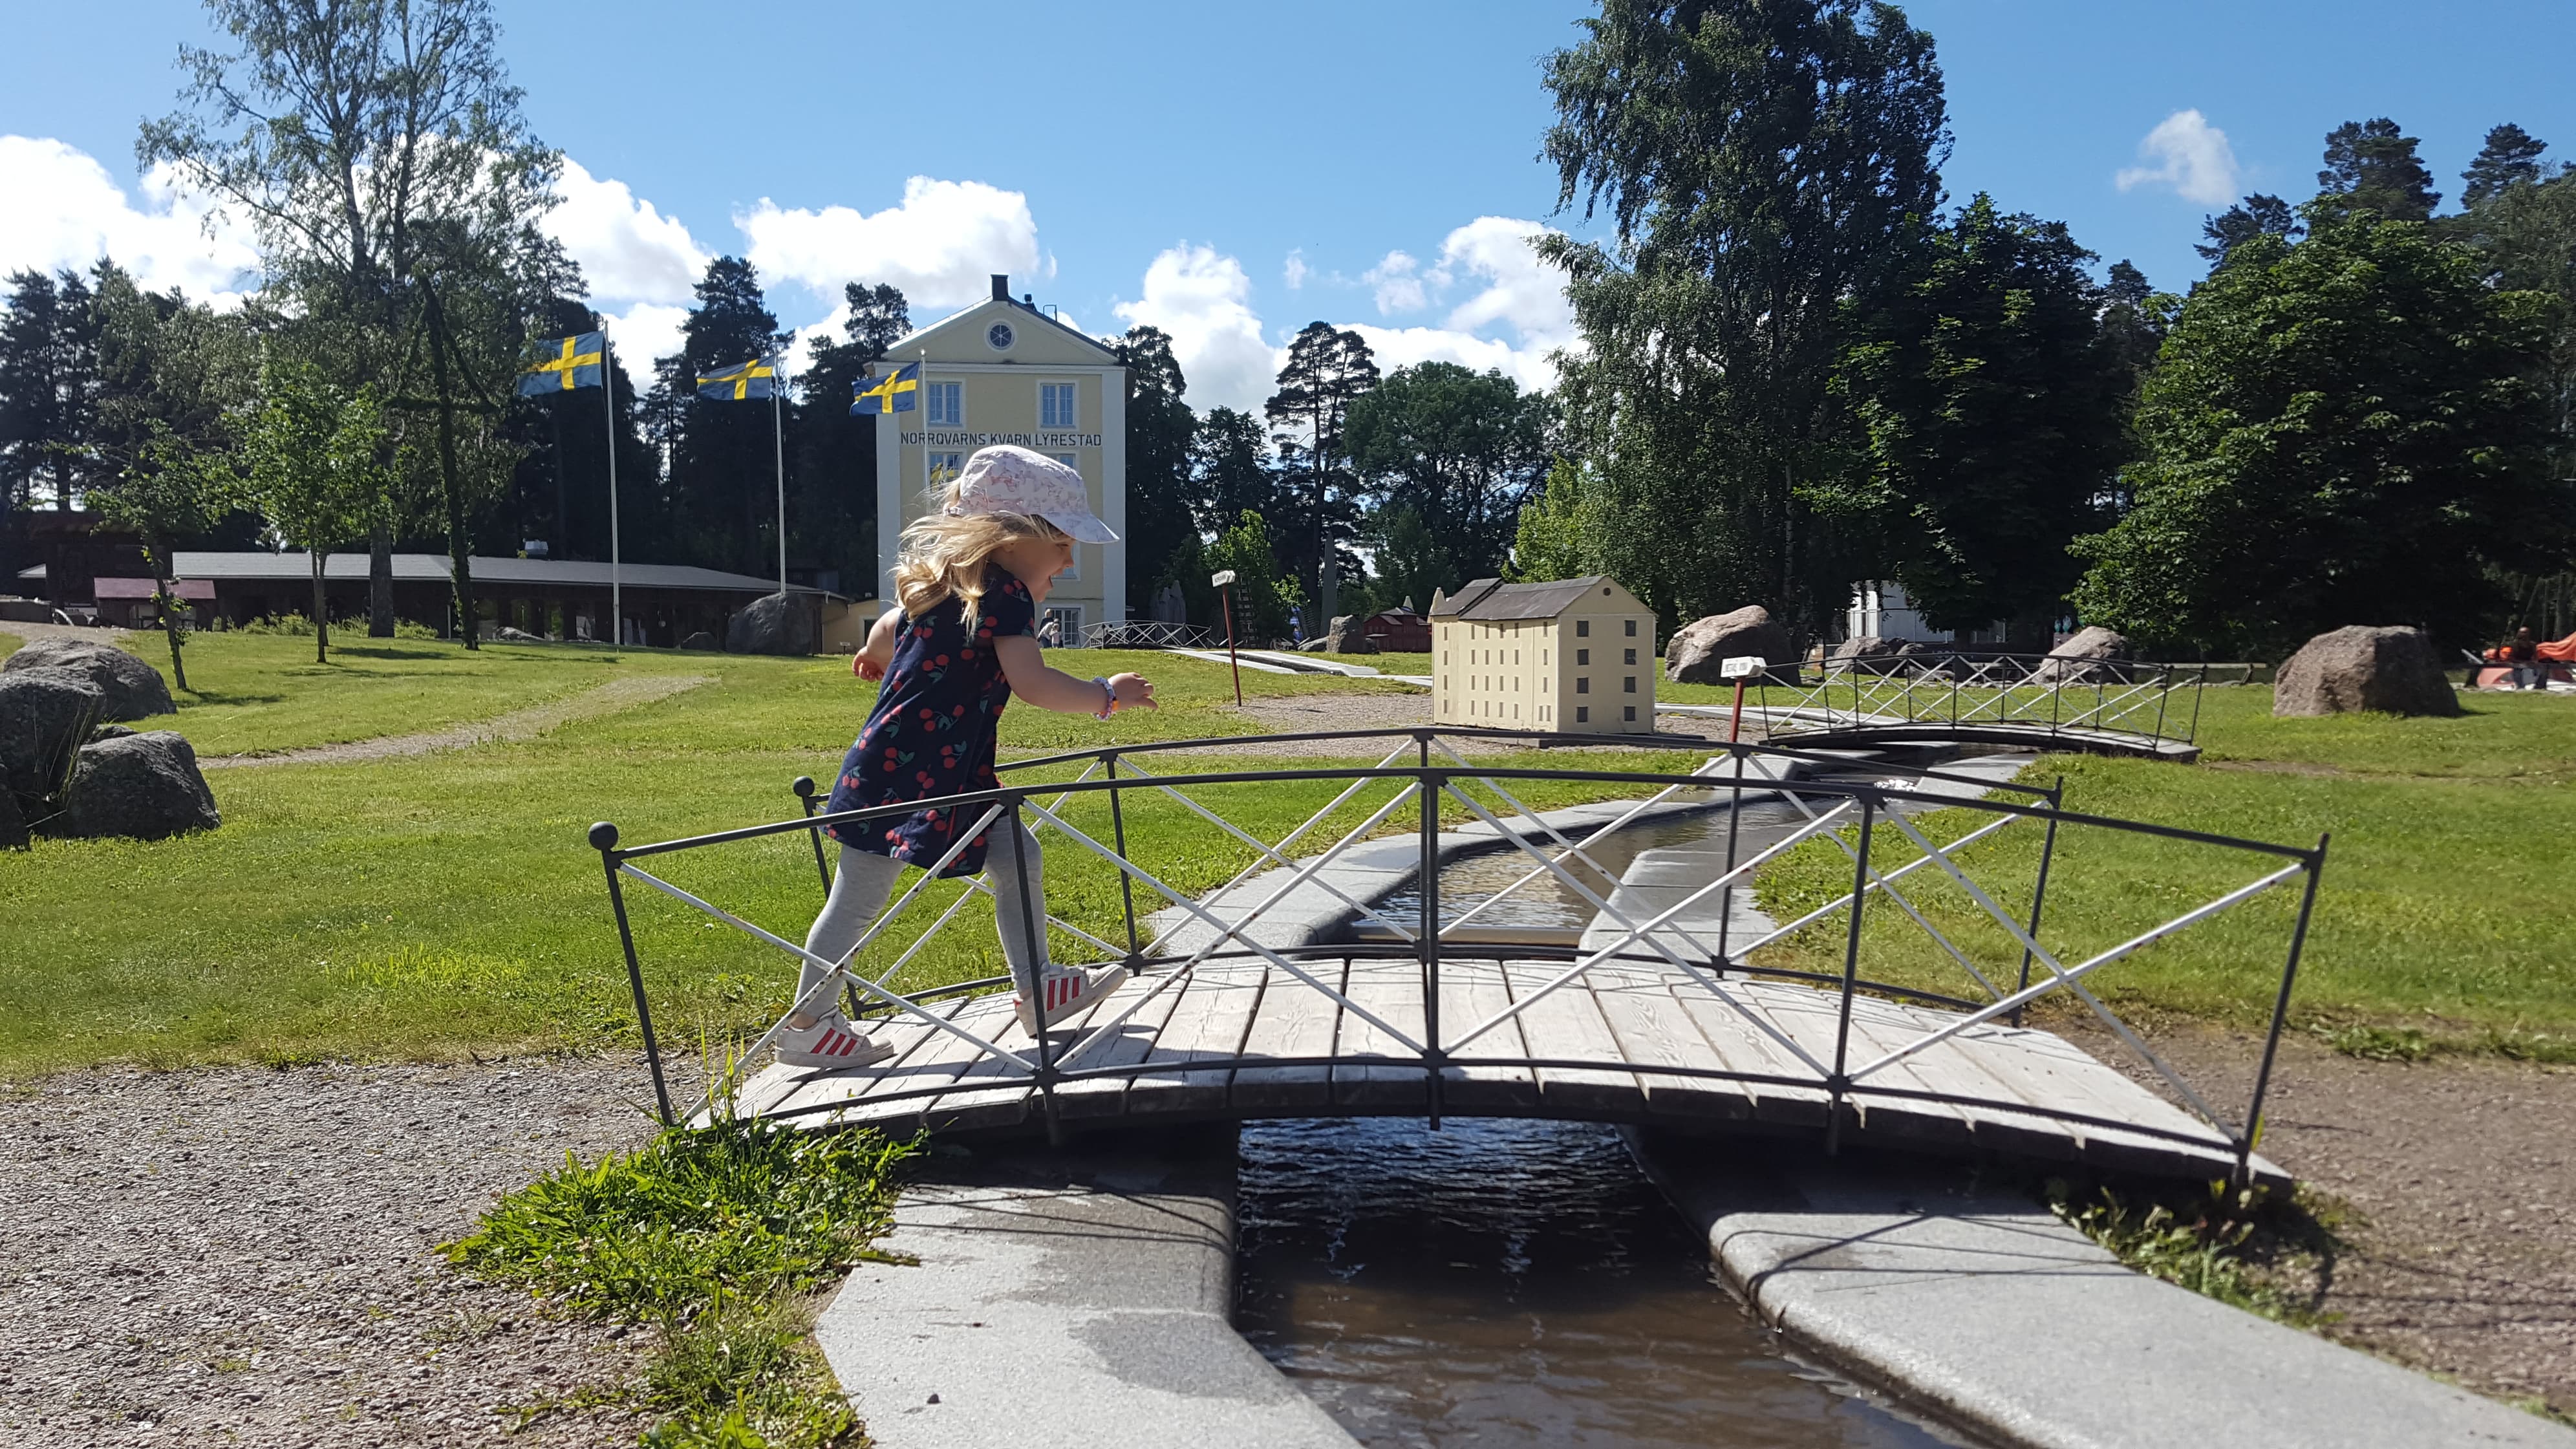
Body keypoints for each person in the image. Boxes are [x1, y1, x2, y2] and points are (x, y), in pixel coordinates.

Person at [778, 445, 1155, 1068]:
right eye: (1061, 544)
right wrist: (1105, 697)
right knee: (859, 897)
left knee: (1017, 855)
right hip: (907, 775)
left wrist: (875, 657)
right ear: (1011, 538)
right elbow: (1033, 683)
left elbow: (885, 628)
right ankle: (809, 1022)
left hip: (938, 767)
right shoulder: (1005, 596)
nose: (1067, 561)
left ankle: (1038, 986)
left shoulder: (943, 588)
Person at [2508, 626, 2542, 690]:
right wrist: (2522, 663)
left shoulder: (2532, 644)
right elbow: (2511, 658)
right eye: (2522, 633)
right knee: (2517, 673)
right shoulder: (2515, 644)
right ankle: (2520, 687)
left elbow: (2535, 656)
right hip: (2517, 664)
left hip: (2529, 664)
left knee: (2541, 670)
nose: (2524, 635)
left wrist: (2535, 662)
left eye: (2526, 633)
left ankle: (2538, 686)